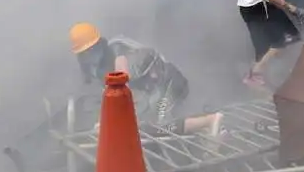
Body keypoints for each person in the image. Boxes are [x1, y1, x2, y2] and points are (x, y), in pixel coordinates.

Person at [68, 22, 222, 136]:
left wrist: (106, 121)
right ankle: (206, 131)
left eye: (89, 51)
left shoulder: (116, 50)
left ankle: (210, 122)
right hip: (151, 92)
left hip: (169, 83)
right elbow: (109, 95)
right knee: (145, 126)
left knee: (160, 126)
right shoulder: (98, 68)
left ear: (98, 45)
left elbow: (121, 83)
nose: (87, 57)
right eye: (83, 54)